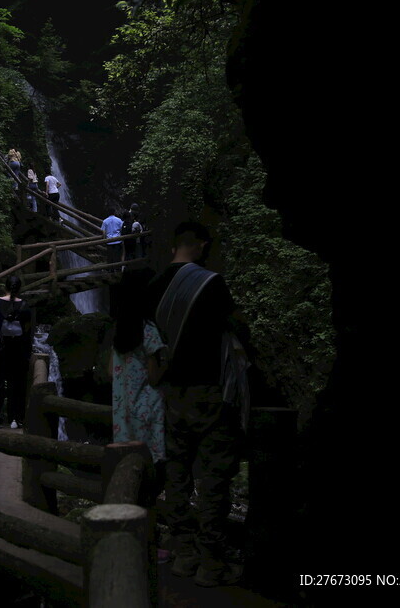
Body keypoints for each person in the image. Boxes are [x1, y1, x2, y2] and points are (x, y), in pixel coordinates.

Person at [145, 221, 250, 588]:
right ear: (202, 247)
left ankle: (183, 554)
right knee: (214, 478)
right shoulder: (211, 283)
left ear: (174, 246)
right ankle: (211, 562)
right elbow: (238, 329)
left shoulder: (154, 287)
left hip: (171, 394)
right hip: (210, 393)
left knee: (176, 475)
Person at [109, 271, 168, 462]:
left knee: (128, 462)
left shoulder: (119, 332)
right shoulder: (148, 329)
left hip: (122, 411)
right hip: (147, 408)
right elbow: (153, 376)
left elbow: (110, 371)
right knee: (150, 460)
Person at [0, 276, 33, 429]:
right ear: (19, 289)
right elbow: (27, 328)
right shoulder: (24, 305)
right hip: (17, 351)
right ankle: (15, 420)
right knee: (16, 386)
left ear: (5, 287)